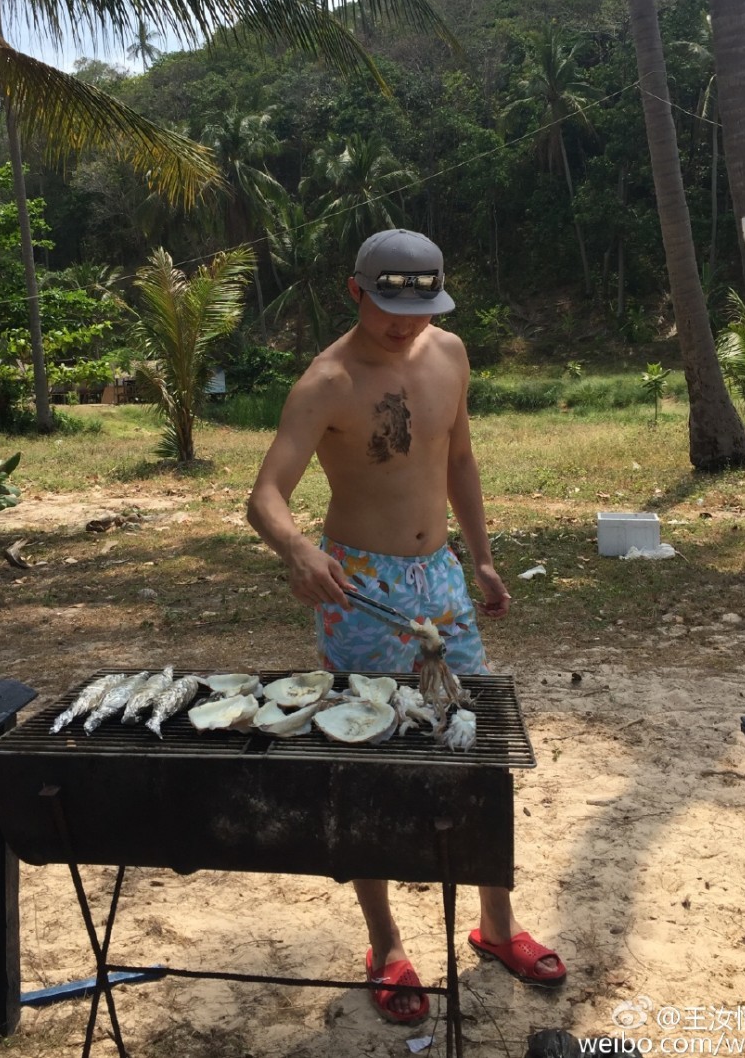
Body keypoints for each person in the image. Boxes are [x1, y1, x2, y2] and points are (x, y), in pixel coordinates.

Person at [247, 228, 566, 1022]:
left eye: (419, 309)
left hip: (441, 580)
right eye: (389, 309)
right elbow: (265, 496)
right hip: (360, 586)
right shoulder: (326, 381)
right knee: (368, 757)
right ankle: (386, 942)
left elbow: (457, 456)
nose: (404, 326)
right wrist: (296, 549)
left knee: (479, 746)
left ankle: (496, 924)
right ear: (355, 292)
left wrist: (482, 557)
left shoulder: (448, 354)